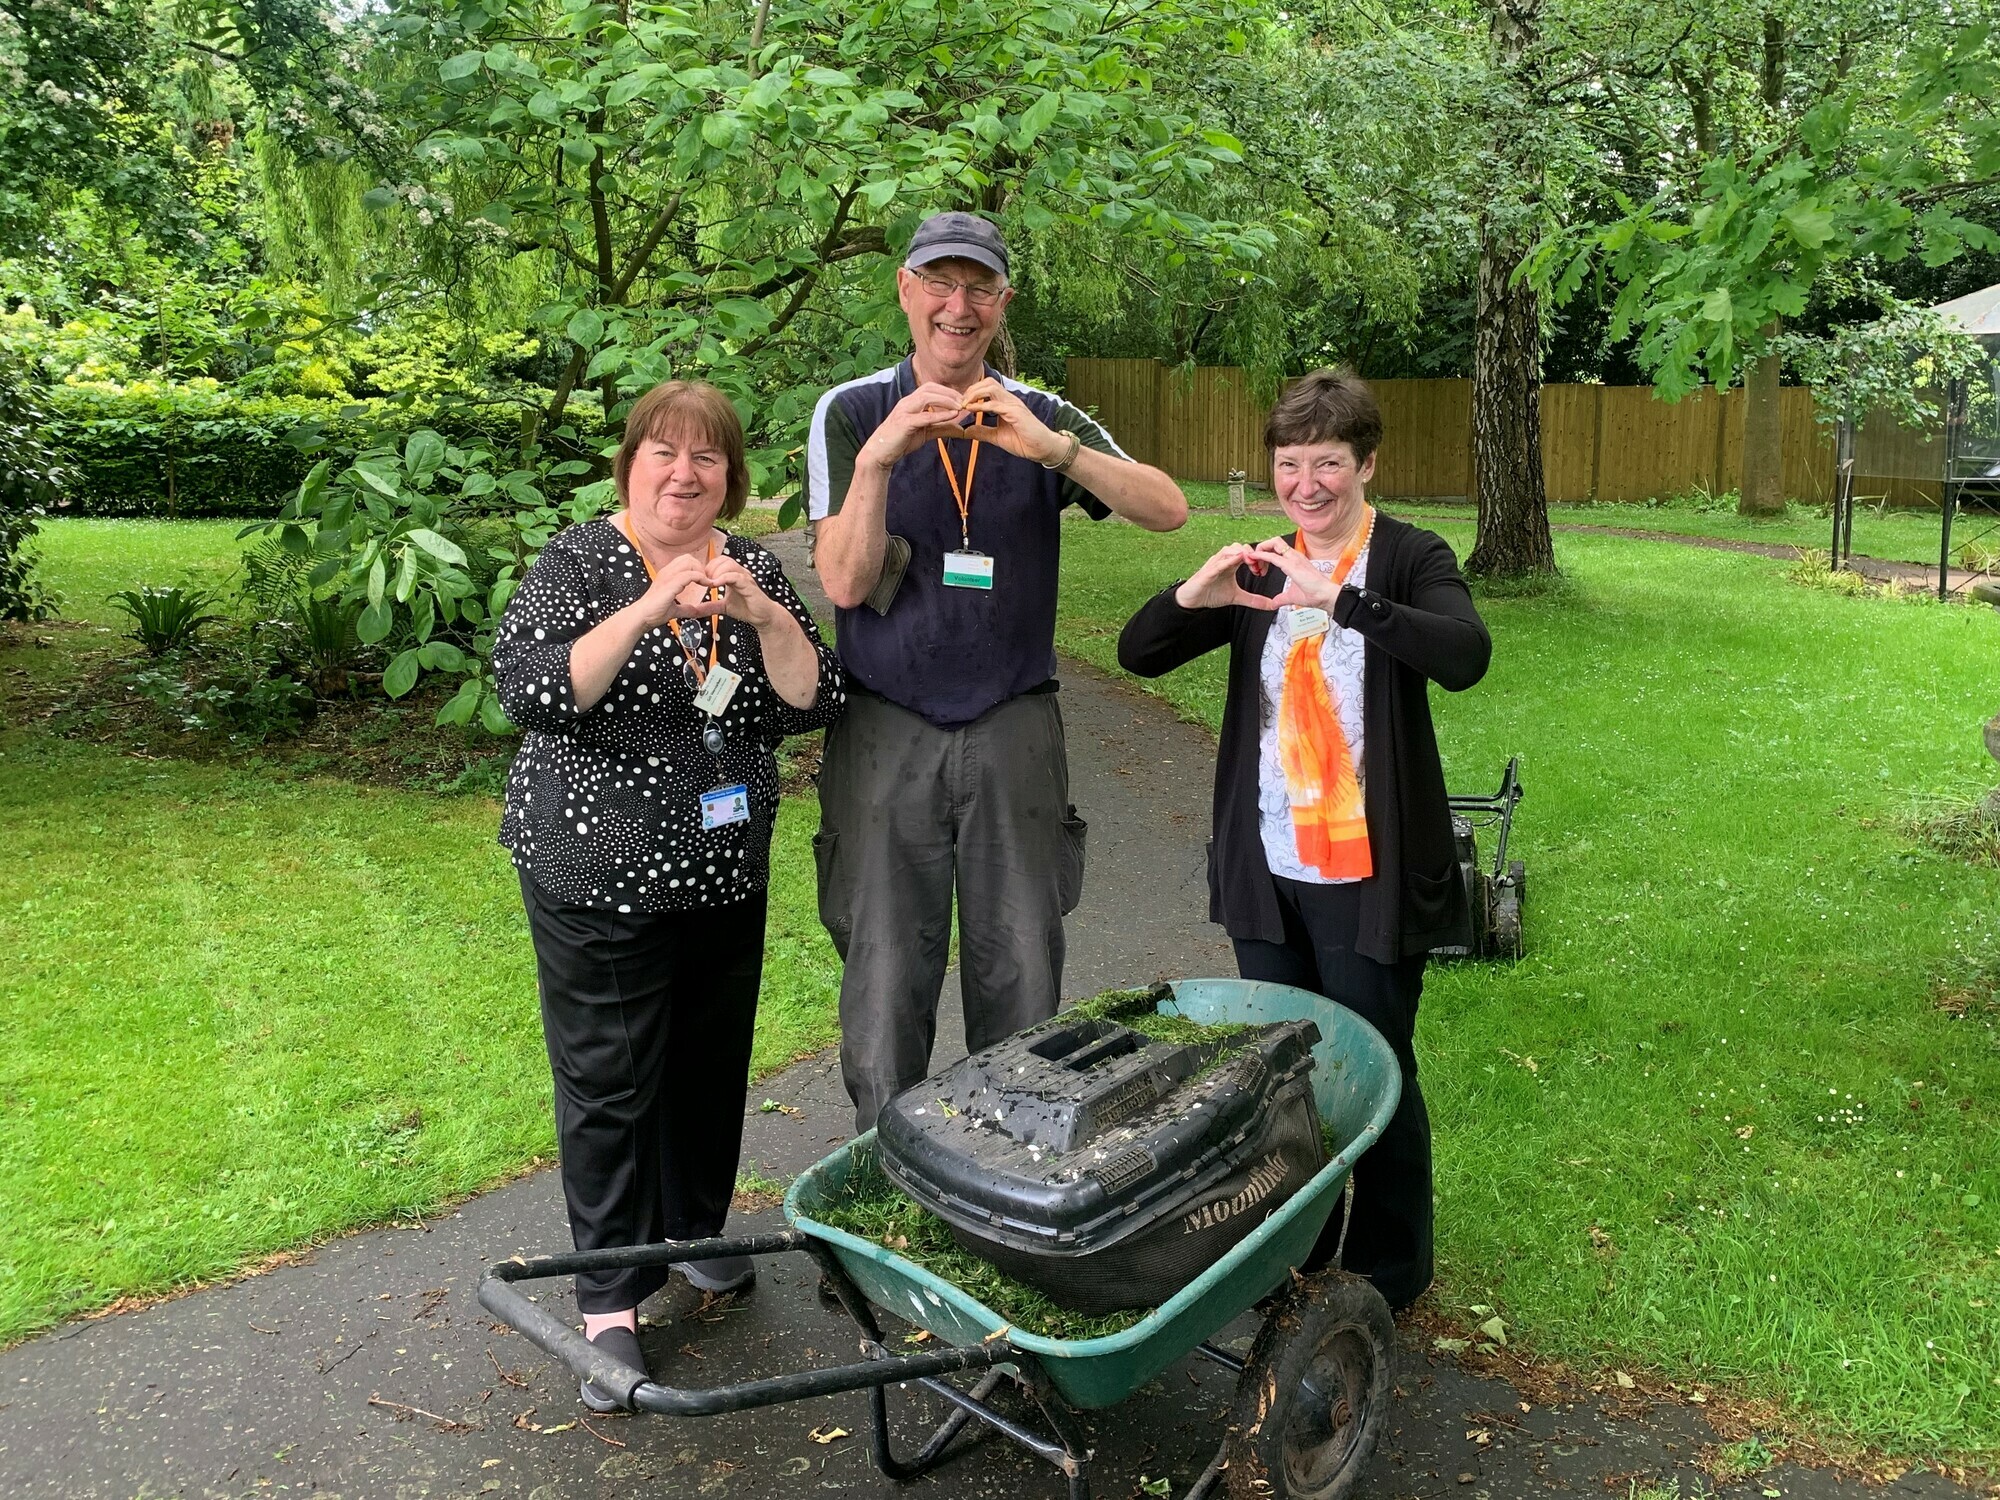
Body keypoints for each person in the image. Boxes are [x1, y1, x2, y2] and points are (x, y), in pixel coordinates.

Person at [492, 379, 844, 1406]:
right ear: (630, 463)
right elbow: (533, 688)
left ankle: (693, 1233)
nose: (683, 476)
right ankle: (608, 1291)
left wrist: (763, 614)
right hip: (594, 870)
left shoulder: (752, 568)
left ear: (730, 481)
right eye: (663, 454)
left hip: (720, 867)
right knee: (612, 1079)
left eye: (706, 461)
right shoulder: (579, 560)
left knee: (703, 1064)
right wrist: (649, 603)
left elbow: (813, 697)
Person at [1116, 368, 1490, 1311]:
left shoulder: (1407, 557)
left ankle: (1389, 1273)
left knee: (1375, 1061)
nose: (1308, 485)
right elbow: (1139, 653)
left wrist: (1341, 599)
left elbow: (1464, 655)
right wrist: (1198, 590)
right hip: (1271, 862)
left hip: (1370, 868)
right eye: (1290, 465)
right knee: (1283, 1070)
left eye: (1328, 463)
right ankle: (1298, 1248)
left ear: (1367, 463)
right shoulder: (1262, 565)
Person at [807, 210, 1189, 1131]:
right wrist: (877, 462)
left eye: (978, 287)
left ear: (1002, 302)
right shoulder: (853, 410)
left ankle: (1007, 1167)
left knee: (1019, 961)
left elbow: (1170, 510)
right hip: (886, 723)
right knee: (888, 964)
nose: (957, 305)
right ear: (905, 290)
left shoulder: (1042, 412)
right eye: (939, 282)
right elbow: (848, 582)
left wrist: (1054, 451)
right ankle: (886, 1181)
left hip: (1015, 718)